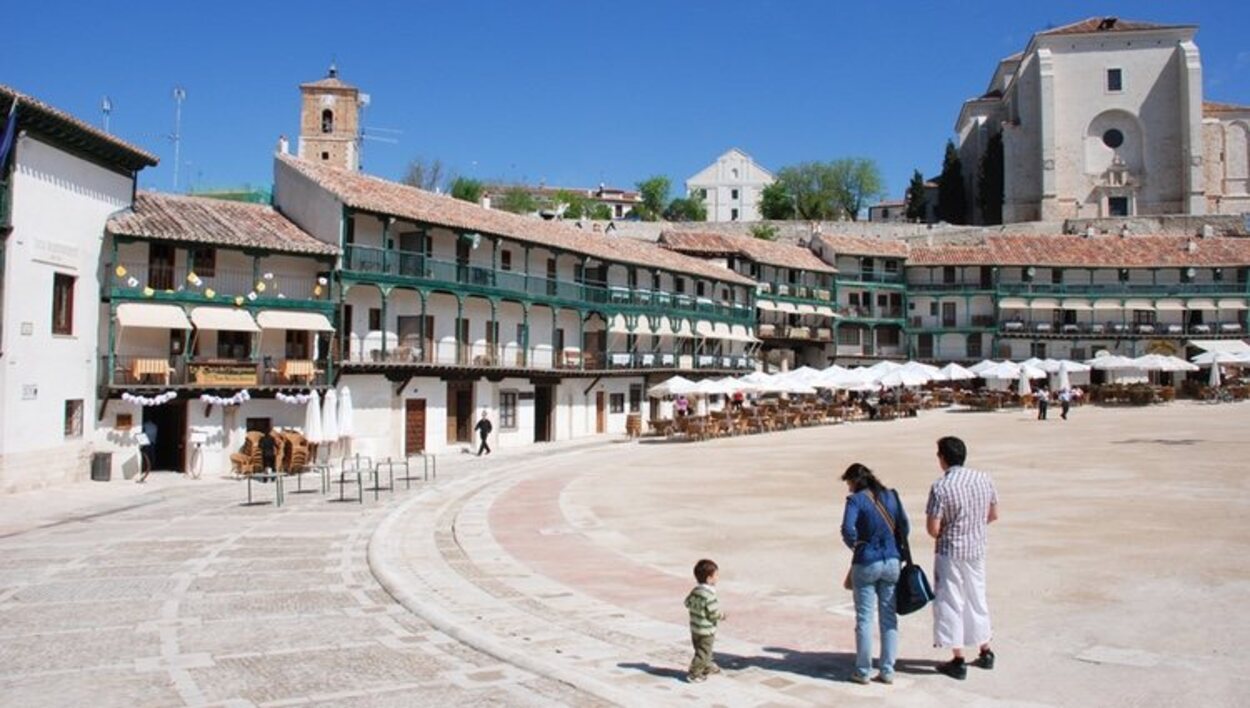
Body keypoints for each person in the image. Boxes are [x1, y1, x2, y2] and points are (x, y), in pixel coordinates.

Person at [927, 436, 999, 680]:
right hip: (976, 549)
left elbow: (933, 529)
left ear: (943, 458)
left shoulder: (941, 486)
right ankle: (985, 650)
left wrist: (953, 527)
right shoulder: (983, 479)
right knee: (977, 597)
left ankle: (958, 658)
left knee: (951, 601)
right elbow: (993, 514)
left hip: (951, 550)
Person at [841, 462, 910, 685]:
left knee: (864, 618)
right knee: (888, 616)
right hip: (891, 559)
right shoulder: (892, 496)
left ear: (854, 482)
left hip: (867, 560)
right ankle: (888, 669)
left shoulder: (855, 500)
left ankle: (863, 670)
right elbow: (905, 526)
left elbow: (847, 528)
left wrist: (857, 545)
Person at [684, 558, 726, 683]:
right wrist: (722, 616)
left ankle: (707, 666)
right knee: (703, 652)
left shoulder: (696, 591)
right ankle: (694, 673)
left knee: (701, 649)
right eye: (716, 575)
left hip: (695, 628)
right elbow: (713, 613)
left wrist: (697, 609)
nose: (718, 577)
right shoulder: (709, 595)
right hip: (706, 630)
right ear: (709, 579)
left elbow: (687, 603)